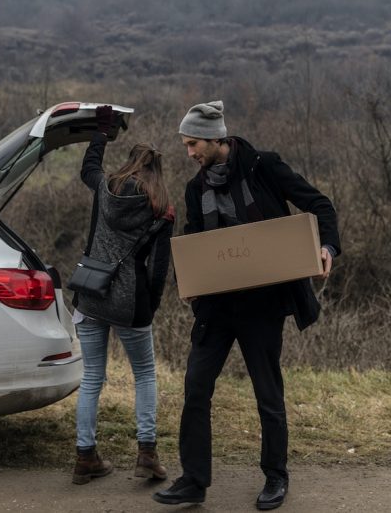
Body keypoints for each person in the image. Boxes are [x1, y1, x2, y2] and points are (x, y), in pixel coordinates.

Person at [153, 100, 340, 510]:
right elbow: (194, 243)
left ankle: (276, 477)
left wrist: (325, 247)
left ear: (217, 138)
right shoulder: (194, 188)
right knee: (196, 388)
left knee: (267, 393)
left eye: (193, 144)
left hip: (263, 304)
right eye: (186, 145)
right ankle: (194, 480)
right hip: (216, 309)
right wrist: (189, 280)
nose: (190, 154)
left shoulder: (263, 167)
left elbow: (319, 204)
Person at [70, 105, 175, 486]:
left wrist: (101, 133)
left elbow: (88, 168)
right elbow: (159, 268)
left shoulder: (105, 186)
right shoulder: (162, 209)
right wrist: (150, 305)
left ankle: (85, 456)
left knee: (93, 376)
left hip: (90, 295)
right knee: (144, 374)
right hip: (131, 303)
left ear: (130, 164)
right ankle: (146, 454)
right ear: (157, 171)